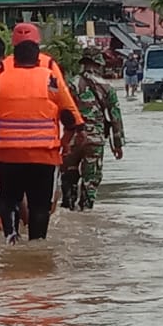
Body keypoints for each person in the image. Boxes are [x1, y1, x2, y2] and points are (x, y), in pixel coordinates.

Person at [0, 27, 84, 244]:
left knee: (9, 199)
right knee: (40, 205)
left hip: (9, 155)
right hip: (44, 155)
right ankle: (37, 245)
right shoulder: (50, 77)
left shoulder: (3, 76)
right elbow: (72, 119)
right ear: (38, 54)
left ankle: (11, 238)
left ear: (14, 55)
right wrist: (65, 143)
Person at [61, 46, 125, 211]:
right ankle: (86, 213)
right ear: (98, 64)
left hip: (72, 139)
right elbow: (115, 118)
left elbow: (61, 111)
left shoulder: (70, 85)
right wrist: (117, 144)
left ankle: (68, 210)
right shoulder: (107, 87)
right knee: (90, 181)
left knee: (68, 178)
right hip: (95, 141)